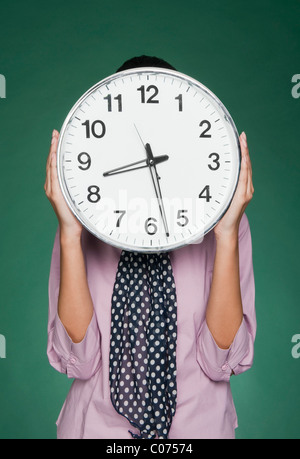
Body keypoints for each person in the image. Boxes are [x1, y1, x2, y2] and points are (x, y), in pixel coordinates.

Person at [44, 55, 256, 439]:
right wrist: (70, 232)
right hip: (95, 430)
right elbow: (81, 360)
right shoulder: (83, 220)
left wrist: (226, 233)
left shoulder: (222, 220)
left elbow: (220, 360)